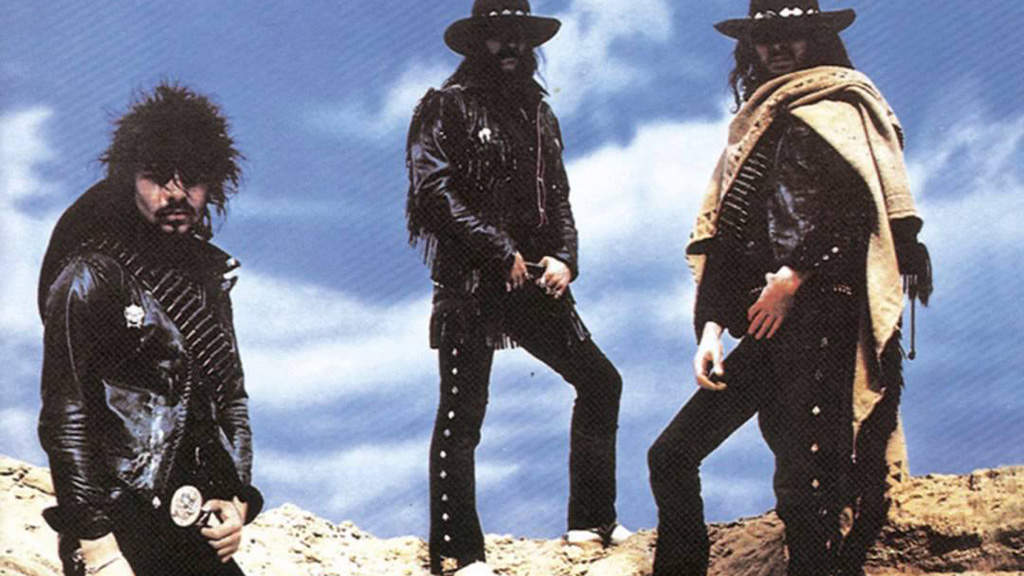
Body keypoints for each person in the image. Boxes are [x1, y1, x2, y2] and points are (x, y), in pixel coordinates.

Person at [647, 1, 932, 575]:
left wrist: (794, 276)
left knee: (809, 485)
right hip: (769, 322)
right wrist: (711, 330)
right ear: (749, 47)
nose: (777, 48)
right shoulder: (756, 122)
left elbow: (859, 214)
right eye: (765, 38)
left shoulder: (842, 108)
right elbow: (730, 236)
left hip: (830, 319)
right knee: (672, 454)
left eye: (792, 35)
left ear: (816, 38)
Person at [405, 1, 631, 574]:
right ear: (476, 43)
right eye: (497, 36)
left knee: (601, 382)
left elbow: (559, 196)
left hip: (532, 278)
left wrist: (566, 259)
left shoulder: (538, 113)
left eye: (518, 36)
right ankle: (458, 554)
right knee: (463, 413)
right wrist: (497, 249)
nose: (509, 46)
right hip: (471, 281)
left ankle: (591, 523)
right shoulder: (445, 106)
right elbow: (432, 193)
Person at [37, 83, 262, 576]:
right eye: (158, 177)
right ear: (129, 180)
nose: (176, 194)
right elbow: (65, 415)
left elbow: (231, 398)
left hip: (195, 525)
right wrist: (97, 547)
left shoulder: (208, 280)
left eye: (193, 179)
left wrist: (238, 499)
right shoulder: (91, 275)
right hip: (117, 527)